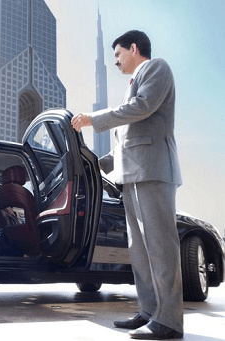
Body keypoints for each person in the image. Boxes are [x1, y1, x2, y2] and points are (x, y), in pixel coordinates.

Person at [71, 30, 183, 340]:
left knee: (160, 246)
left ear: (134, 48)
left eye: (118, 54)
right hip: (131, 175)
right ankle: (149, 311)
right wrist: (99, 163)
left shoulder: (156, 68)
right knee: (140, 249)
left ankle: (169, 321)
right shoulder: (131, 85)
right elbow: (126, 139)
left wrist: (94, 118)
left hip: (154, 171)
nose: (116, 61)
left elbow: (142, 108)